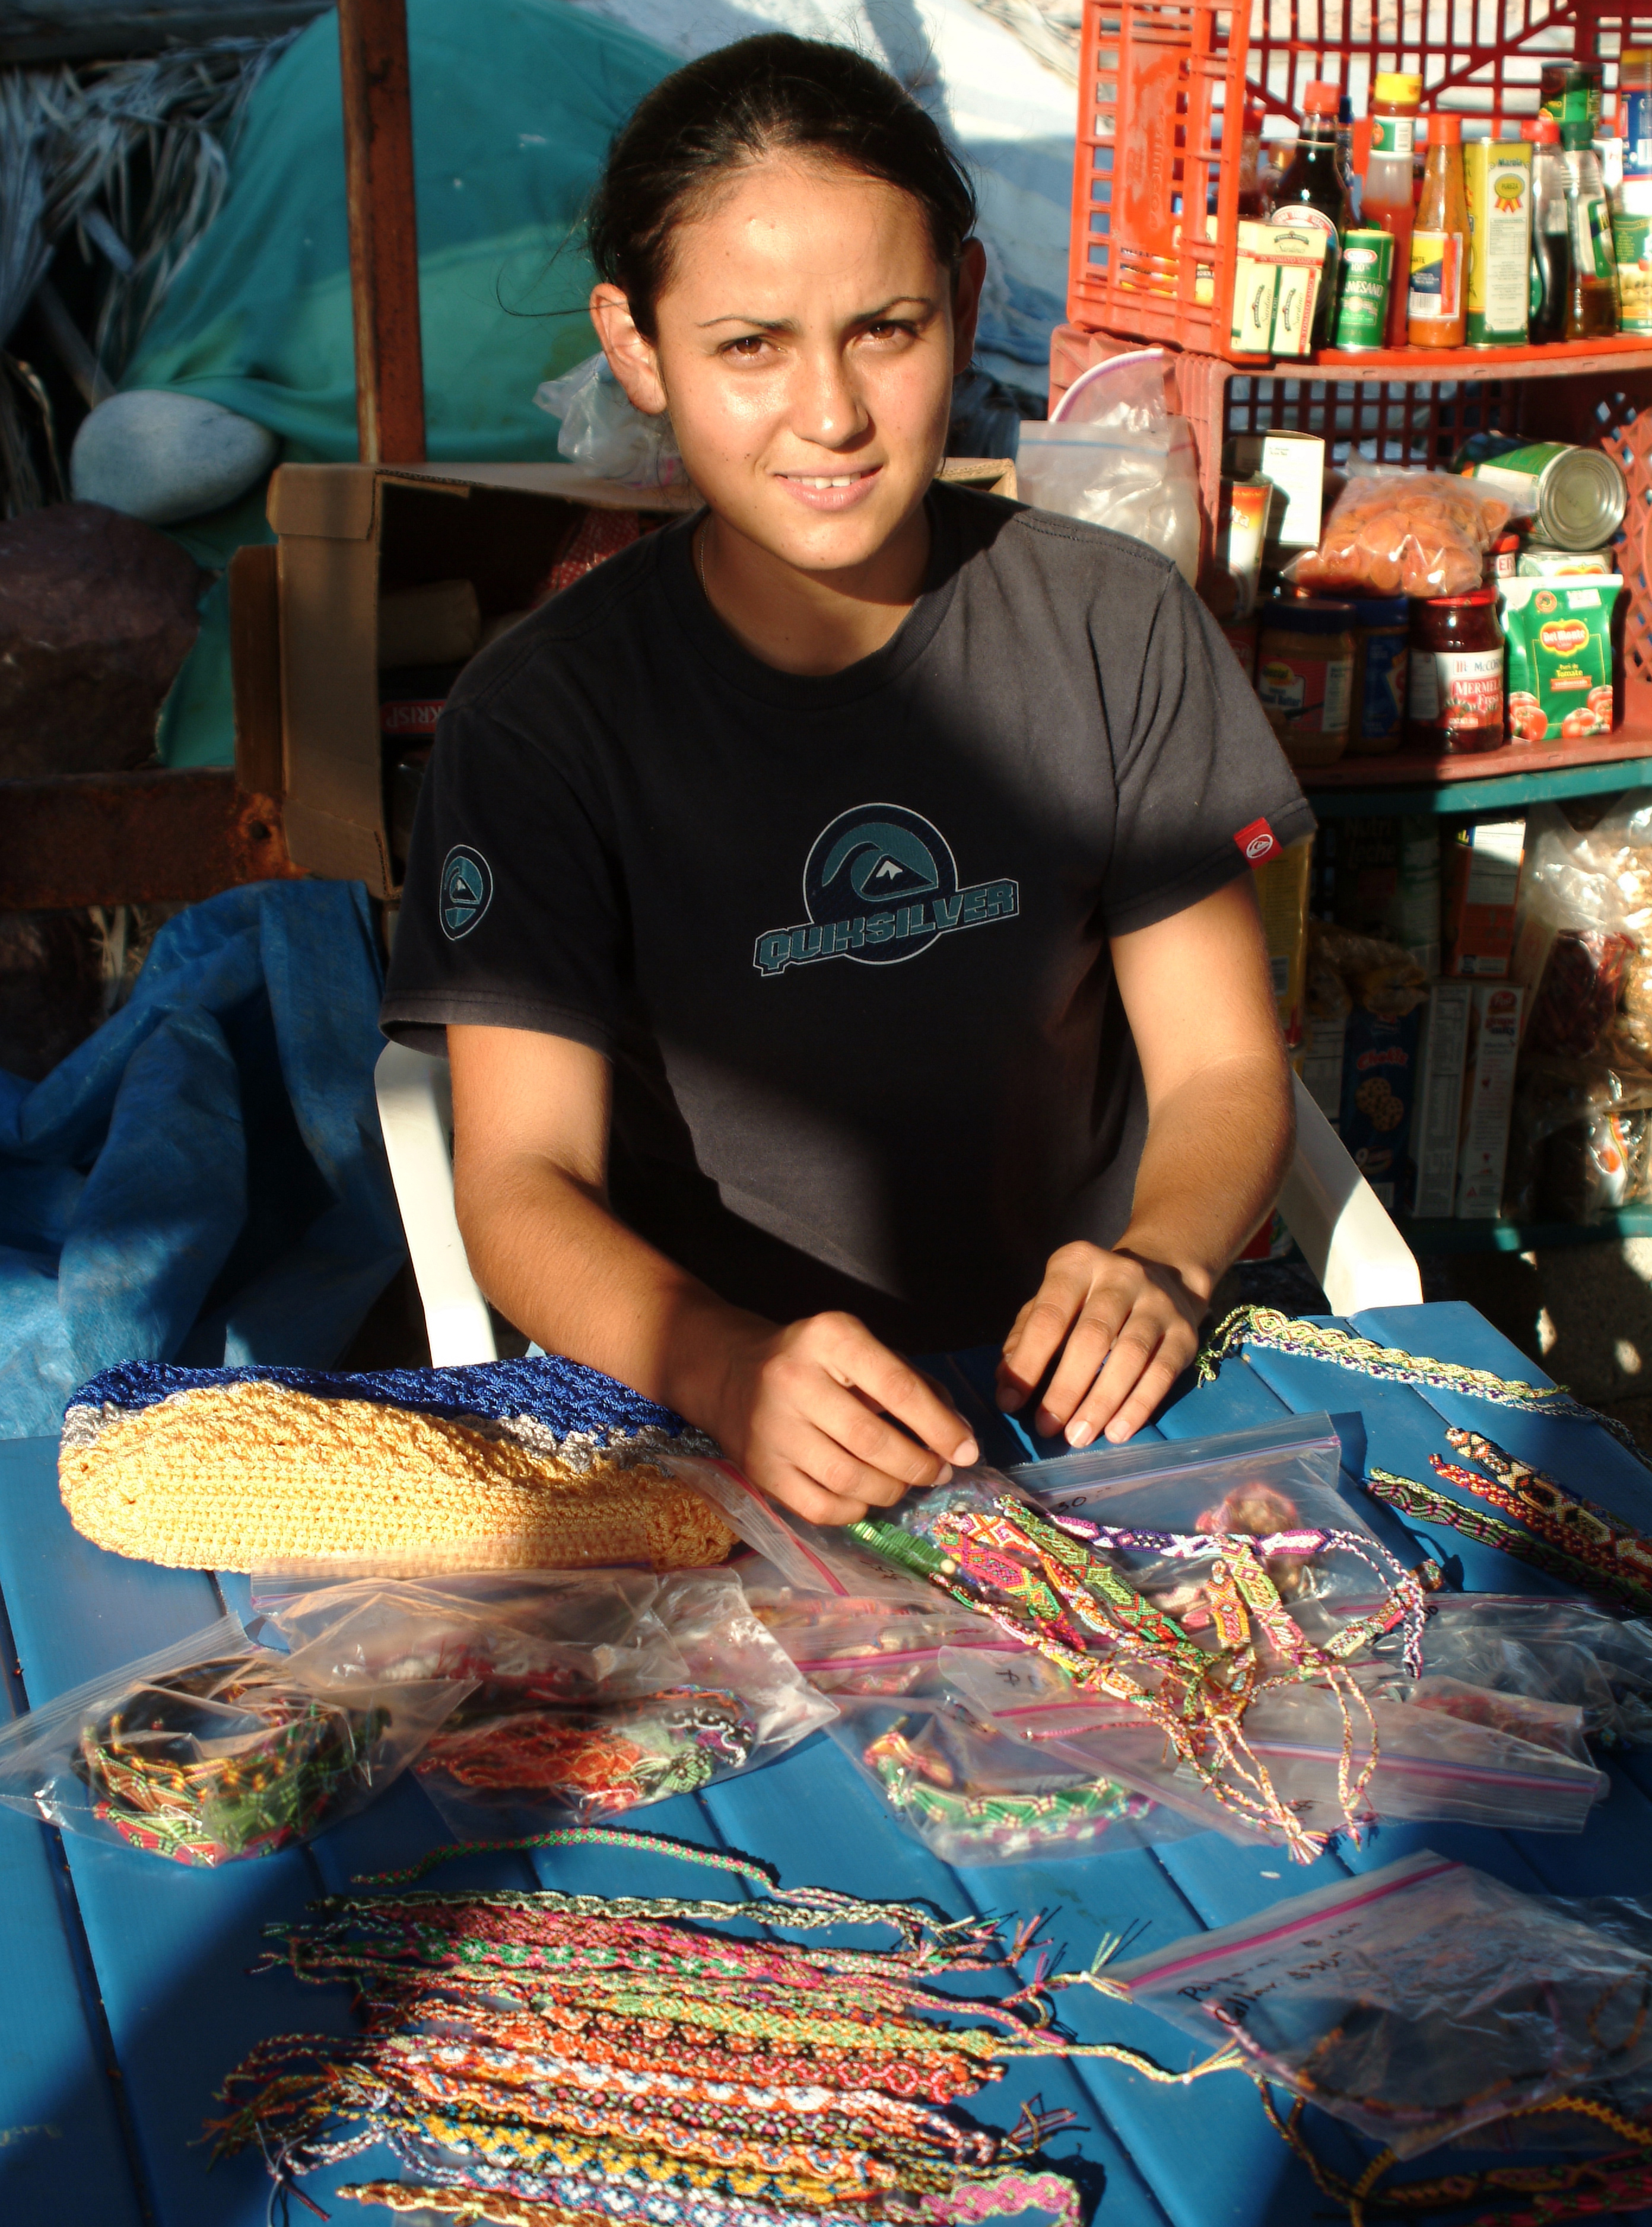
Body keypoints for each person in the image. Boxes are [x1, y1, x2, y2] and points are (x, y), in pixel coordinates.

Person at [382, 33, 1314, 1527]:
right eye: (749, 346)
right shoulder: (543, 720)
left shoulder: (1114, 624)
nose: (830, 413)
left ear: (963, 301)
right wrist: (728, 1368)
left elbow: (1217, 1066)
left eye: (885, 328)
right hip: (712, 1434)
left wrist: (1162, 1263)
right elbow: (518, 1179)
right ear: (636, 345)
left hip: (1084, 1407)